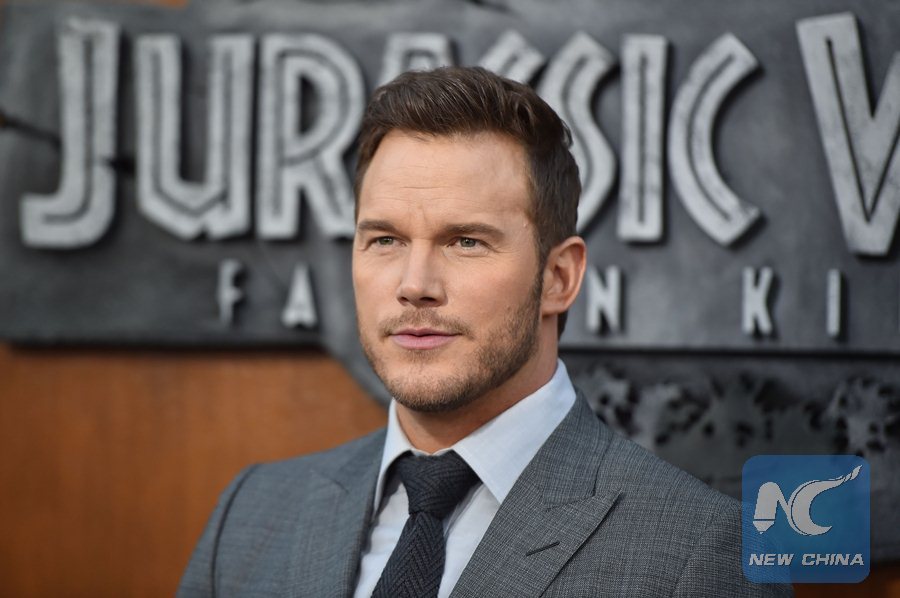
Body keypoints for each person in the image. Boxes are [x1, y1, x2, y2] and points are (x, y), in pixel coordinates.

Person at [178, 66, 792, 597]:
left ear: (558, 277)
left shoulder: (702, 553)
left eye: (466, 241)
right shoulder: (252, 513)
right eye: (385, 240)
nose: (414, 284)